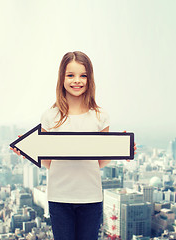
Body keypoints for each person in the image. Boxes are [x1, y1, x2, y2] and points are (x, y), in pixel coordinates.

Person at [11, 51, 136, 240]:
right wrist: (28, 152)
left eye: (83, 75)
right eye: (70, 75)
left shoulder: (100, 116)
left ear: (89, 78)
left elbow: (100, 162)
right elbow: (49, 162)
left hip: (91, 197)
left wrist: (120, 150)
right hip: (59, 198)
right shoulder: (50, 116)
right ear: (62, 78)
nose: (77, 80)